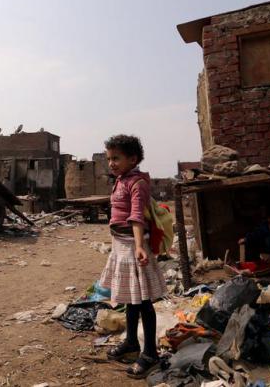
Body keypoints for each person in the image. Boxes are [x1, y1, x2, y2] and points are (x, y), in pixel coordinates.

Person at [99, 134, 167, 379]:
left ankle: (150, 353)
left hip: (132, 246)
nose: (111, 163)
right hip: (121, 244)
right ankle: (131, 342)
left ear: (133, 159)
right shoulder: (120, 180)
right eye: (109, 159)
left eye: (116, 158)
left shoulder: (137, 183)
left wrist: (139, 246)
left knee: (144, 301)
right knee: (131, 298)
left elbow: (137, 216)